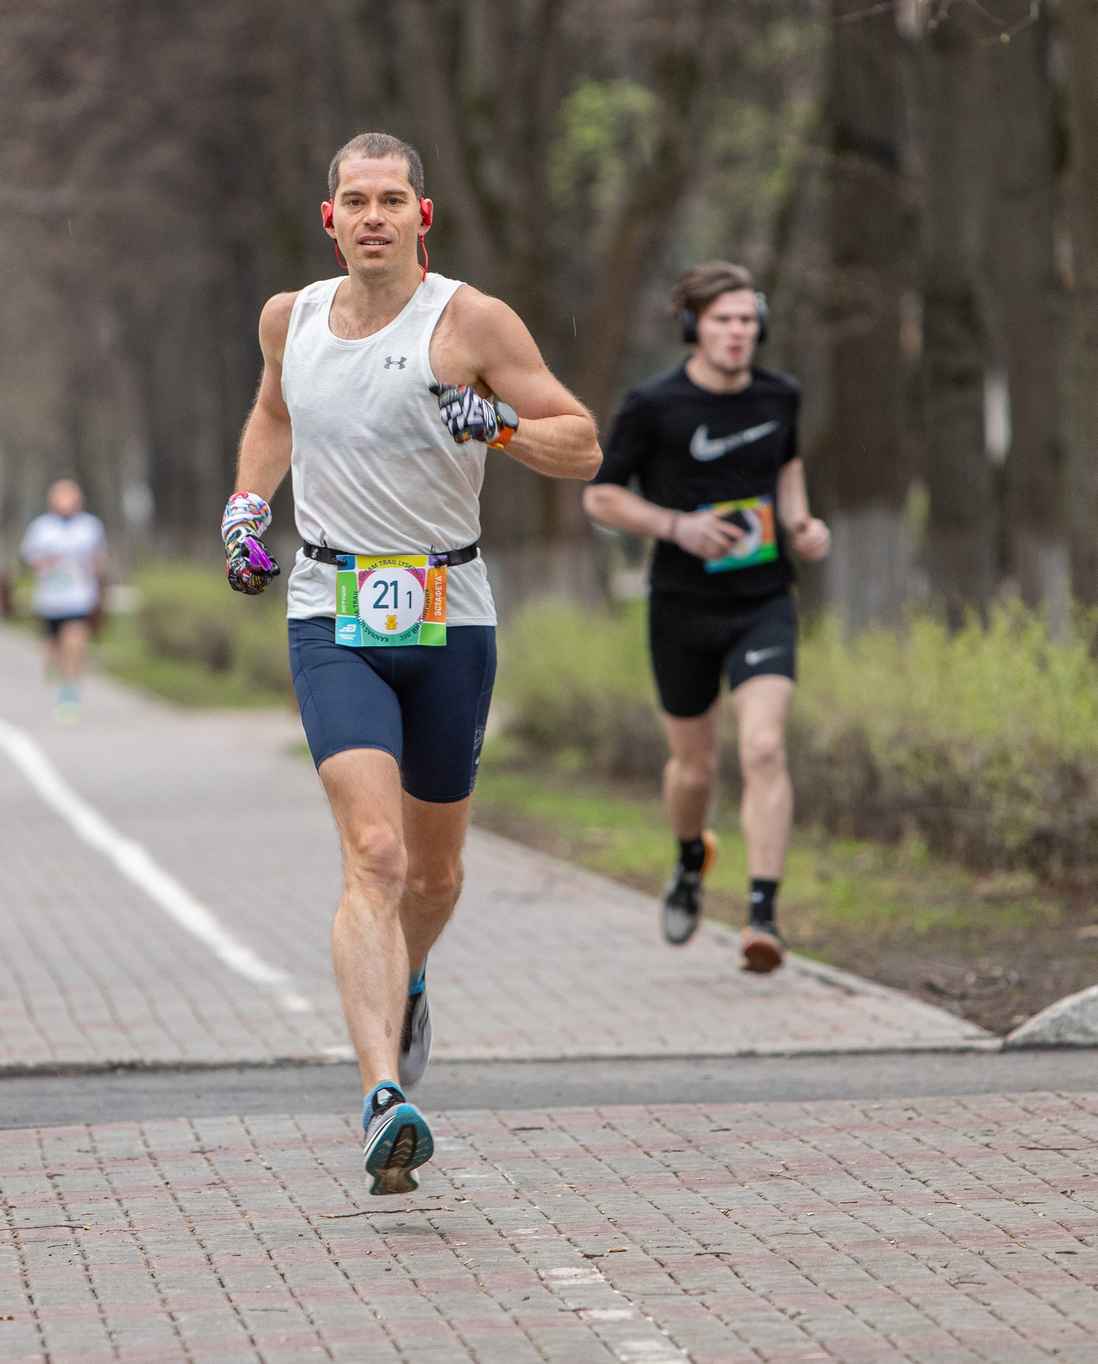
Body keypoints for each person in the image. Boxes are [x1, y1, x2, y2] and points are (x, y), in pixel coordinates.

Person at [223, 132, 599, 1196]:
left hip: (449, 609)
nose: (375, 216)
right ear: (328, 219)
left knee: (435, 875)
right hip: (331, 605)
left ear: (422, 218)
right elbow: (271, 413)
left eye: (395, 199)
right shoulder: (287, 319)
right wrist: (249, 505)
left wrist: (503, 424)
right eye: (356, 199)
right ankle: (384, 1094)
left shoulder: (470, 321)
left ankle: (410, 974)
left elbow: (584, 442)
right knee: (376, 856)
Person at [581, 262, 831, 975]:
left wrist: (803, 526)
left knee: (761, 748)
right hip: (682, 606)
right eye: (723, 320)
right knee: (693, 769)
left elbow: (787, 470)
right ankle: (691, 858)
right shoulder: (654, 404)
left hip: (762, 603)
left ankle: (762, 916)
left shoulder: (782, 395)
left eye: (748, 320)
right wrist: (674, 526)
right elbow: (601, 499)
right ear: (694, 326)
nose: (737, 333)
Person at [20, 478, 107, 724]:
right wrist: (47, 563)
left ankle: (69, 694)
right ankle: (57, 672)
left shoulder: (90, 526)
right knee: (53, 650)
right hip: (50, 599)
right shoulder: (41, 528)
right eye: (61, 497)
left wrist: (94, 565)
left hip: (79, 598)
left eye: (70, 496)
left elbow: (100, 559)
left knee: (75, 643)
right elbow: (30, 561)